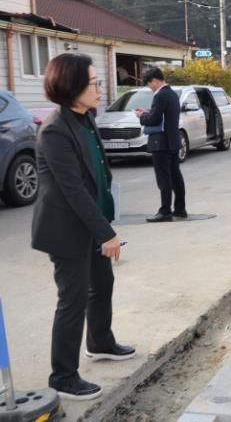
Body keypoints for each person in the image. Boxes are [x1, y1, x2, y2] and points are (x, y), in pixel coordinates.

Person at [32, 53, 135, 401]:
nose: (99, 89)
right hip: (65, 229)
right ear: (71, 85)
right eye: (93, 83)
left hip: (91, 222)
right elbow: (72, 190)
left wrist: (103, 223)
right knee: (72, 300)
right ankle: (62, 376)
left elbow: (97, 171)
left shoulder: (85, 118)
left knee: (102, 283)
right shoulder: (55, 130)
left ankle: (100, 341)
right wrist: (106, 233)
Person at [135, 68, 186, 222]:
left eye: (149, 83)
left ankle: (165, 211)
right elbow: (162, 115)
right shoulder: (172, 94)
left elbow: (154, 119)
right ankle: (180, 209)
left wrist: (142, 116)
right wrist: (149, 112)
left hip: (161, 142)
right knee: (175, 176)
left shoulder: (160, 95)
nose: (149, 87)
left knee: (164, 179)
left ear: (155, 81)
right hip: (173, 141)